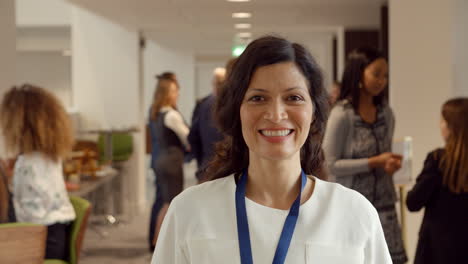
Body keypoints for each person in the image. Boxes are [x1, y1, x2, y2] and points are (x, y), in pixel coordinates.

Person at [151, 36, 392, 263]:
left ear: (314, 112)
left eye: (293, 98)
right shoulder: (190, 211)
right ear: (237, 111)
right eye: (258, 98)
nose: (276, 115)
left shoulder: (353, 212)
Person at [322, 47, 407, 263]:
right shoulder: (342, 114)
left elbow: (384, 153)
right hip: (352, 204)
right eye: (376, 73)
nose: (382, 80)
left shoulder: (386, 113)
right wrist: (373, 162)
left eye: (385, 75)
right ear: (359, 72)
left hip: (385, 204)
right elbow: (330, 164)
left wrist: (388, 164)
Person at [0, 84, 76, 260]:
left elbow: (23, 216)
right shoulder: (48, 157)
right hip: (58, 234)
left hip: (41, 241)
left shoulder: (26, 164)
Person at [406, 98, 468, 264]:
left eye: (442, 121)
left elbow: (413, 202)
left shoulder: (438, 160)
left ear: (450, 126)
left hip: (436, 250)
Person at [149, 75, 190, 249]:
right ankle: (160, 243)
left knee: (164, 201)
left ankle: (157, 241)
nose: (177, 94)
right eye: (174, 91)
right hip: (172, 162)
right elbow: (187, 138)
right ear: (166, 93)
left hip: (160, 160)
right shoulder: (172, 115)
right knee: (170, 204)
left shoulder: (155, 112)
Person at [188, 67, 225, 182]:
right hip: (228, 168)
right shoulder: (233, 104)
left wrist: (200, 161)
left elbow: (193, 136)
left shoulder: (203, 104)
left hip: (206, 166)